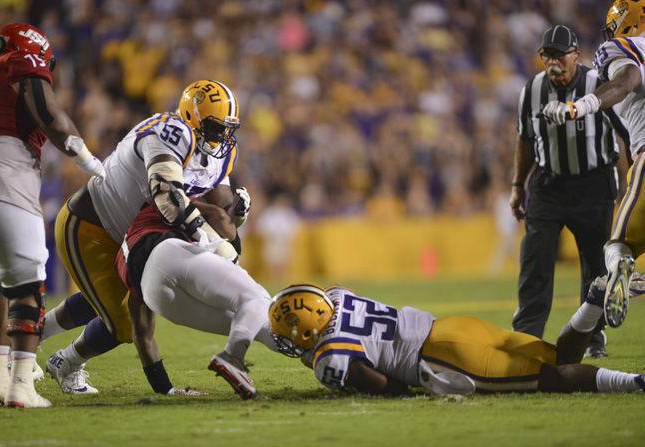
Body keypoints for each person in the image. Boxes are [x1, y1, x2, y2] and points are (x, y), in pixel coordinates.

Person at [44, 79, 247, 396]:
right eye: (215, 126)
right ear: (192, 117)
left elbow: (219, 205)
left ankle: (32, 334)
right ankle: (61, 360)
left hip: (131, 232)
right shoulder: (169, 133)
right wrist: (212, 244)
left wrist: (235, 215)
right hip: (90, 227)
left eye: (226, 127)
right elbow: (168, 198)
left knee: (106, 300)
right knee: (122, 323)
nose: (222, 135)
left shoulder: (220, 151)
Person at [0, 23, 105, 408]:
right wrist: (91, 163)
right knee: (28, 285)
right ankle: (21, 387)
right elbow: (50, 116)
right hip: (4, 173)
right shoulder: (21, 58)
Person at [268, 282, 645, 396]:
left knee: (553, 379)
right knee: (559, 355)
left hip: (442, 359)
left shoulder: (328, 357)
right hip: (451, 326)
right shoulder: (335, 297)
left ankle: (635, 384)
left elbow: (386, 386)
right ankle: (593, 303)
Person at [510, 25, 629, 357]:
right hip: (548, 185)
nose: (554, 63)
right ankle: (527, 338)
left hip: (593, 184)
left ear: (576, 55)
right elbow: (524, 139)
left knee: (595, 267)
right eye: (547, 55)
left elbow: (623, 137)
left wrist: (626, 183)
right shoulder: (531, 91)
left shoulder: (596, 85)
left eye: (560, 55)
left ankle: (593, 337)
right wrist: (518, 185)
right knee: (535, 261)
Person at [542, 1, 645, 331]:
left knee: (617, 245)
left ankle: (621, 270)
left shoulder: (621, 47)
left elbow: (626, 80)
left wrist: (582, 105)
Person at [115, 197, 275, 399]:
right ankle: (235, 358)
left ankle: (315, 355)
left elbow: (142, 335)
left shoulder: (127, 246)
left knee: (254, 322)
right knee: (259, 301)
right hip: (170, 252)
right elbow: (218, 218)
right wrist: (236, 224)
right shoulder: (174, 199)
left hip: (154, 295)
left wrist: (164, 388)